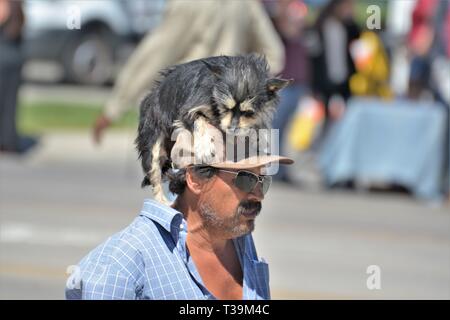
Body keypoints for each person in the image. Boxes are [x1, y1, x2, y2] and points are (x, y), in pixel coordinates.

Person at [66, 118, 293, 299]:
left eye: (263, 181)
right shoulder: (122, 263)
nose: (259, 194)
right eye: (245, 179)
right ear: (195, 179)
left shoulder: (238, 237)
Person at [93, 0, 285, 144]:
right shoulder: (246, 4)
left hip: (192, 113)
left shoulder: (188, 3)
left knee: (182, 186)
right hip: (231, 119)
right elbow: (274, 55)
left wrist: (114, 108)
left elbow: (153, 56)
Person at [267, 0, 310, 184]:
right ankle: (272, 169)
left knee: (285, 130)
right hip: (281, 82)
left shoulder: (298, 9)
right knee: (274, 128)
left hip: (297, 83)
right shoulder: (273, 12)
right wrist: (285, 16)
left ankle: (281, 170)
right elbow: (284, 32)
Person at [0, 0, 26, 153]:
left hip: (4, 55)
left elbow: (3, 15)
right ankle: (9, 141)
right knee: (10, 104)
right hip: (15, 55)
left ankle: (4, 142)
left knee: (3, 103)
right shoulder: (19, 4)